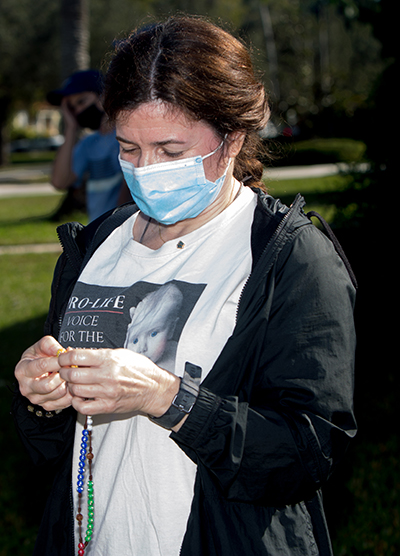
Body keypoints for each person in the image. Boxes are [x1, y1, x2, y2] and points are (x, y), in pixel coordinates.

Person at [12, 15, 357, 556]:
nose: (147, 170)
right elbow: (56, 449)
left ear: (233, 138)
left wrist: (167, 398)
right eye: (129, 149)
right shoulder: (96, 247)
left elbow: (307, 454)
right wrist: (42, 399)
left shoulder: (286, 257)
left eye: (171, 152)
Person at [47, 69, 130, 222]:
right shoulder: (88, 144)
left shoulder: (127, 135)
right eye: (72, 108)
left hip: (124, 230)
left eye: (81, 102)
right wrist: (71, 128)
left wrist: (117, 226)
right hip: (99, 233)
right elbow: (60, 181)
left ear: (103, 96)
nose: (78, 111)